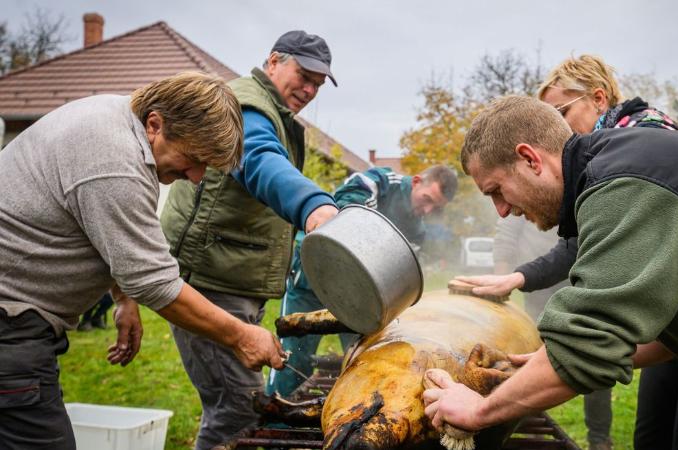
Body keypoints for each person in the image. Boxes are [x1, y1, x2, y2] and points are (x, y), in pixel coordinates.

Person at [422, 95, 678, 449]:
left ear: (530, 159)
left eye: (496, 190)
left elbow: (587, 348)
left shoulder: (629, 182)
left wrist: (479, 412)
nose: (502, 211)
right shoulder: (613, 173)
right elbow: (663, 333)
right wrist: (547, 361)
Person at [456, 55, 678, 450]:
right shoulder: (601, 169)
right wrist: (540, 323)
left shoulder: (636, 158)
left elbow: (596, 329)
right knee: (652, 436)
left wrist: (478, 412)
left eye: (559, 111)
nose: (554, 124)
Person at [0, 72, 285, 450]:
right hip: (10, 325)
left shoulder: (116, 124)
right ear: (156, 123)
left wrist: (123, 300)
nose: (196, 177)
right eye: (195, 159)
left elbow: (103, 234)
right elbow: (157, 282)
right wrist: (242, 335)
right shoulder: (114, 159)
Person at [159, 30, 339, 450]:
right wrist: (314, 206)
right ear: (274, 60)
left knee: (230, 403)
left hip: (232, 280)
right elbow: (257, 157)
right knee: (237, 409)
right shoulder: (246, 105)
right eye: (304, 75)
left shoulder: (275, 111)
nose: (310, 89)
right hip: (211, 283)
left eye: (318, 83)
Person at [270, 164, 458, 397]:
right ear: (417, 181)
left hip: (360, 296)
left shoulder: (417, 230)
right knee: (294, 354)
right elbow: (347, 206)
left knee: (363, 358)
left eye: (435, 207)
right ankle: (277, 406)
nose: (427, 209)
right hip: (315, 272)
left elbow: (401, 274)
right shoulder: (379, 181)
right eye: (427, 199)